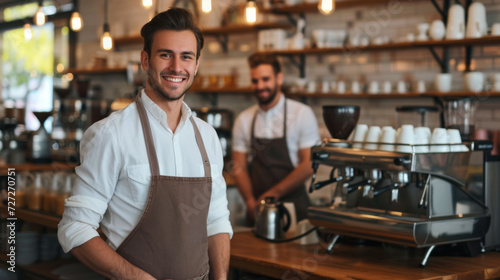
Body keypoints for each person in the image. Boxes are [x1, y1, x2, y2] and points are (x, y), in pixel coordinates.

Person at [57, 8, 232, 280]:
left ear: (196, 64)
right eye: (166, 55)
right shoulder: (110, 134)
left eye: (186, 57)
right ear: (145, 60)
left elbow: (216, 220)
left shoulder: (207, 137)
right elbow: (75, 227)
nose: (176, 67)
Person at [231, 53, 320, 225]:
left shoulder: (301, 114)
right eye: (255, 81)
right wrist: (249, 200)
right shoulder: (244, 119)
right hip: (258, 208)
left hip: (295, 208)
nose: (260, 86)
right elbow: (239, 167)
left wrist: (274, 194)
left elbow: (309, 164)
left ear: (279, 79)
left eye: (266, 79)